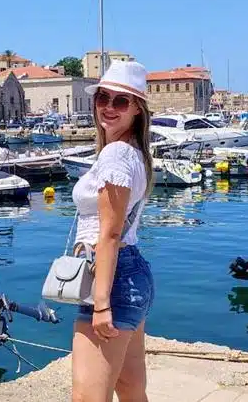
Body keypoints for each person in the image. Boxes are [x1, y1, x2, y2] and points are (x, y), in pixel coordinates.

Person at [71, 61, 155, 402]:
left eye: (121, 101)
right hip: (130, 275)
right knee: (131, 388)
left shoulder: (117, 154)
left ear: (137, 109)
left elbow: (109, 234)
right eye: (102, 97)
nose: (108, 106)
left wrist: (101, 304)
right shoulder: (134, 152)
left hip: (111, 280)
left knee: (87, 398)